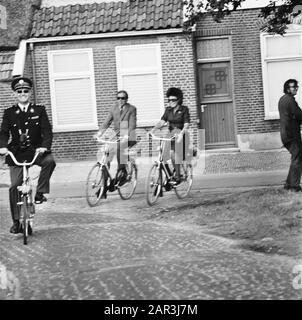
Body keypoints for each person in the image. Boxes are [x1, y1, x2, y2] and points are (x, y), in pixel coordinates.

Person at [0, 76, 56, 233]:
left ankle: (39, 193)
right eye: (19, 91)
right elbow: (3, 133)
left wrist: (44, 147)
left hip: (36, 150)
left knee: (50, 161)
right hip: (16, 153)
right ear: (15, 94)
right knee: (14, 187)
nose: (23, 93)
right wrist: (3, 147)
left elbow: (47, 132)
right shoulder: (9, 113)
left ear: (30, 93)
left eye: (25, 91)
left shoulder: (39, 110)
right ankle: (16, 222)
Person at [95, 90, 137, 198]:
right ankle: (104, 185)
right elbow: (107, 122)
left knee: (120, 148)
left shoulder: (131, 109)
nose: (120, 100)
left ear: (126, 99)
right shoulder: (113, 108)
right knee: (106, 152)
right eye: (118, 98)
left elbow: (132, 124)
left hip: (129, 135)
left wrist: (126, 135)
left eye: (123, 98)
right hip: (117, 134)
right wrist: (100, 133)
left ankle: (122, 172)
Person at [150, 87, 190, 184]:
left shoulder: (184, 109)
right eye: (169, 100)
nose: (171, 101)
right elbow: (162, 121)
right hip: (170, 135)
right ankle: (169, 177)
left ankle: (178, 176)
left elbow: (186, 124)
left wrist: (181, 134)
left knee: (173, 153)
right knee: (162, 156)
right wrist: (153, 130)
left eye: (173, 100)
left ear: (179, 100)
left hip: (181, 135)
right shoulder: (168, 110)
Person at [278, 79, 302, 192]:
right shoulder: (290, 101)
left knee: (295, 157)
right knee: (298, 158)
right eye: (293, 87)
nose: (296, 88)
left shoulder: (282, 99)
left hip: (285, 134)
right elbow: (299, 115)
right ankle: (294, 186)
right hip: (292, 134)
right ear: (287, 88)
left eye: (296, 86)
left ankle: (289, 184)